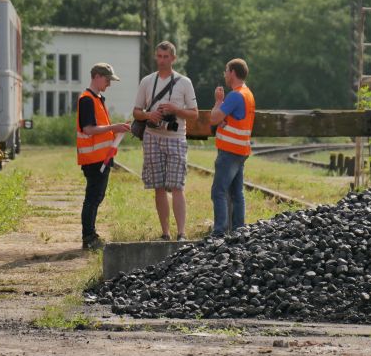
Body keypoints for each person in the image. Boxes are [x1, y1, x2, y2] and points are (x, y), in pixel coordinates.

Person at [133, 41, 198, 241]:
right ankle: (165, 233)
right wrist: (149, 116)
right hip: (152, 137)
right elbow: (136, 111)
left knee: (177, 185)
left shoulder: (184, 82)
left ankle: (181, 233)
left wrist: (175, 110)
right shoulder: (146, 81)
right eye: (159, 56)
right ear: (156, 57)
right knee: (159, 186)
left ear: (173, 58)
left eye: (166, 57)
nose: (162, 61)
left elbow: (194, 114)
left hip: (176, 139)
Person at [77, 63, 130, 250]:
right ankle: (89, 237)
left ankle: (91, 235)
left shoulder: (98, 98)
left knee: (97, 197)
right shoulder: (87, 100)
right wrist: (113, 128)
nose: (109, 83)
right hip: (93, 159)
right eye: (107, 80)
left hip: (101, 157)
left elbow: (99, 129)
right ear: (97, 76)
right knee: (93, 198)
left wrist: (115, 133)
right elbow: (89, 129)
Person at [209, 58, 256, 237]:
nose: (225, 74)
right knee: (237, 192)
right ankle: (239, 229)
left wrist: (218, 101)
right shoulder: (248, 94)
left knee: (218, 191)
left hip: (230, 151)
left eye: (226, 71)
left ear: (233, 73)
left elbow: (214, 118)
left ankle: (220, 231)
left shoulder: (235, 95)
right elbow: (236, 119)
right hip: (241, 150)